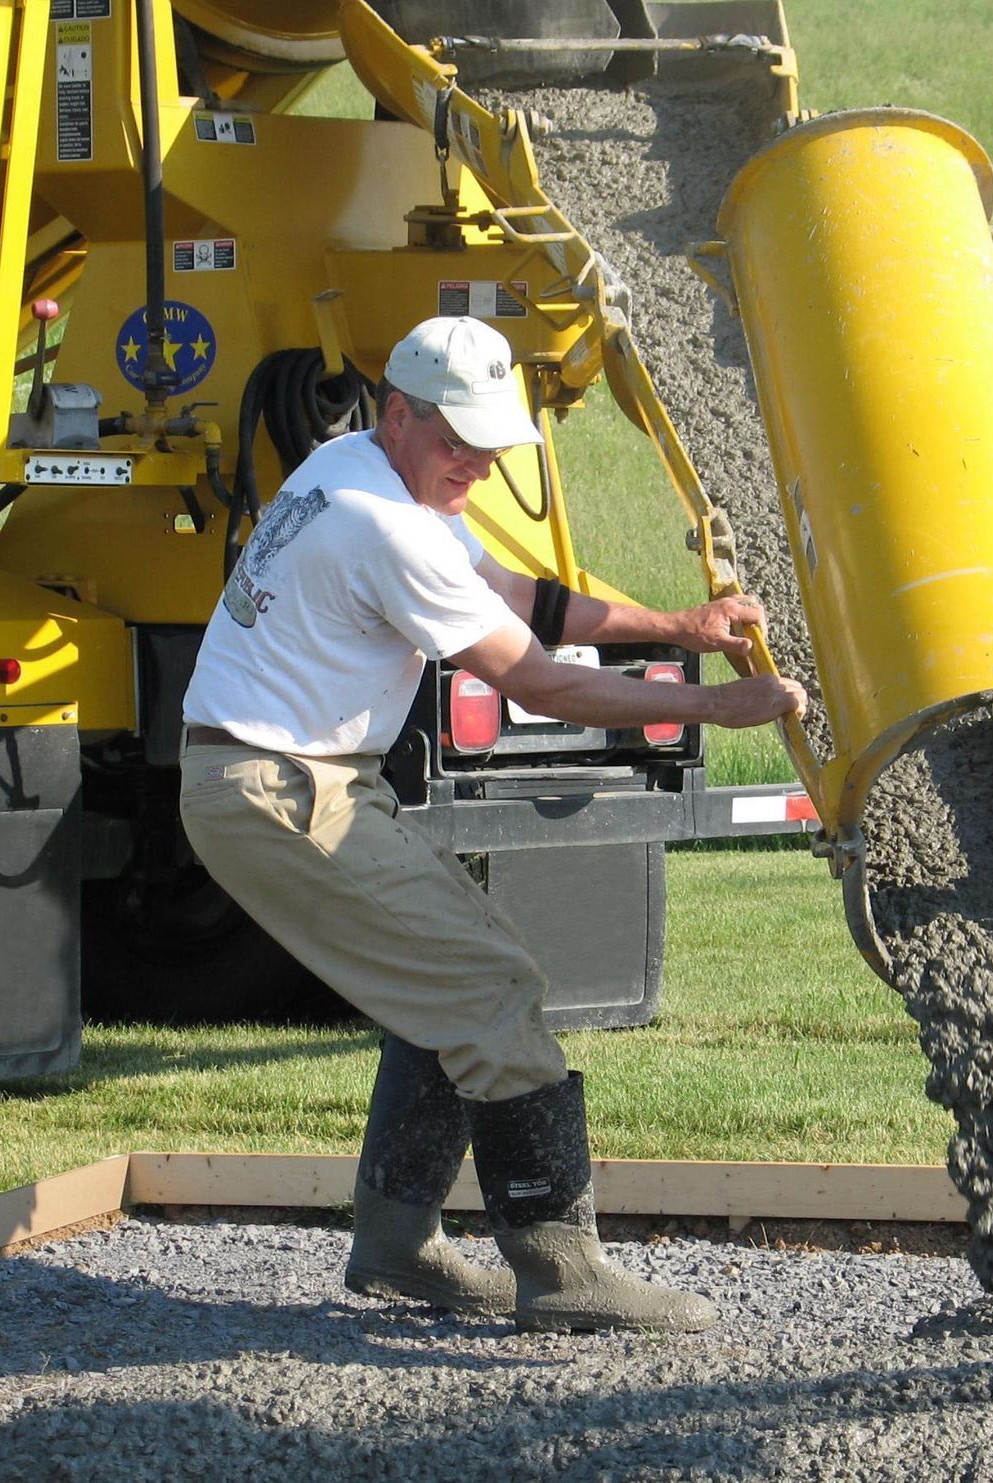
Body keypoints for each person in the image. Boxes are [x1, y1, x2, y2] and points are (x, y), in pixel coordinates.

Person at [178, 315, 806, 1334]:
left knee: (457, 983)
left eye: (488, 440)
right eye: (456, 437)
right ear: (399, 413)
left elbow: (510, 595)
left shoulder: (361, 469)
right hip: (278, 790)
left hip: (285, 777)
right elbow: (541, 682)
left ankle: (396, 1249)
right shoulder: (383, 525)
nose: (475, 459)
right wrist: (714, 706)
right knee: (490, 987)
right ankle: (562, 1274)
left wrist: (674, 628)